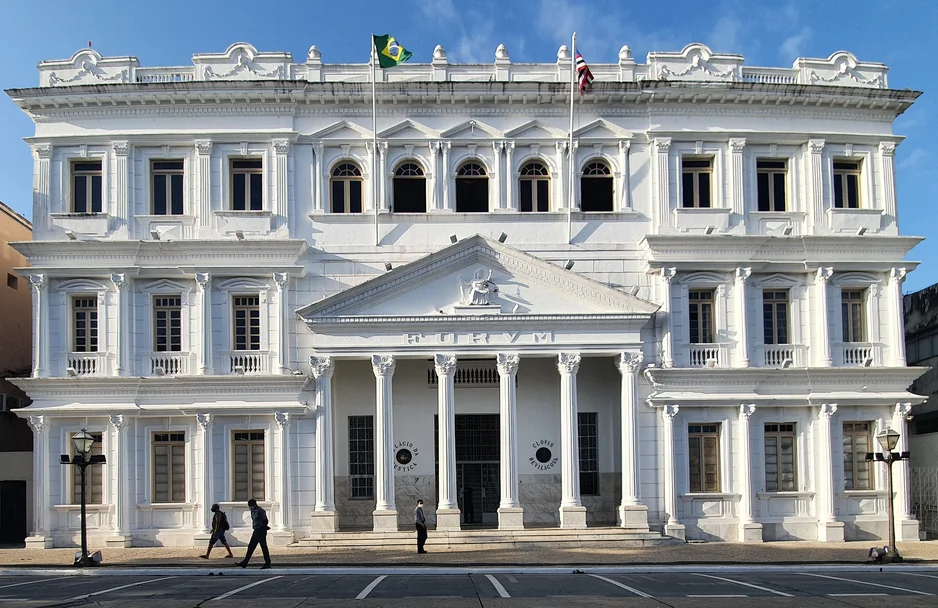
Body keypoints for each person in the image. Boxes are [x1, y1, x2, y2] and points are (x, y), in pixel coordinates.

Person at [236, 499, 271, 569]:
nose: (249, 507)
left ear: (254, 504)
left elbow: (265, 520)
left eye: (250, 505)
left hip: (260, 530)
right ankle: (245, 562)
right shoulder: (253, 511)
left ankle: (267, 563)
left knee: (262, 547)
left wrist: (263, 527)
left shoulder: (260, 511)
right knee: (252, 547)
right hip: (256, 530)